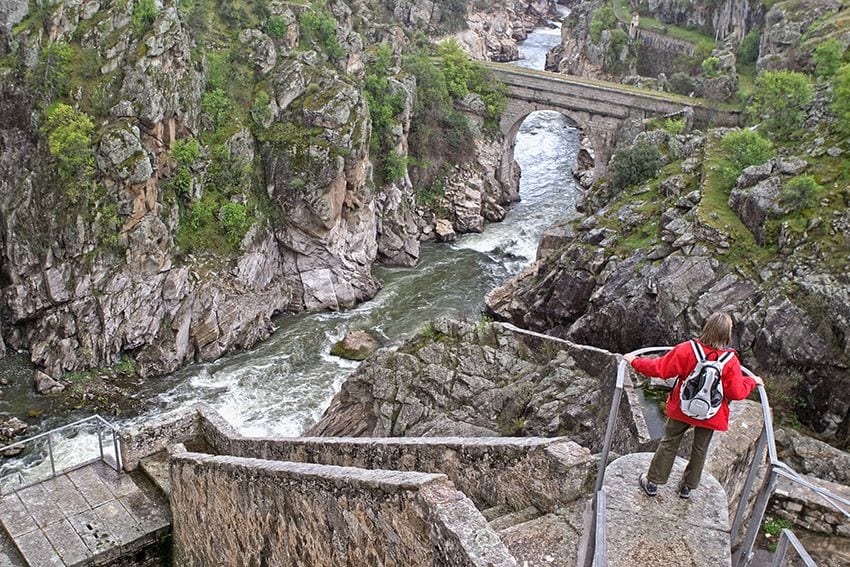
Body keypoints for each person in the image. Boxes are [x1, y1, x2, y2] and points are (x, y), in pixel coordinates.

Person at [623, 312, 764, 499]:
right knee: (700, 449)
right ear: (727, 334)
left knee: (669, 443)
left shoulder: (688, 349)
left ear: (707, 328)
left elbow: (660, 369)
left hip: (683, 407)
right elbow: (736, 392)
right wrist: (752, 381)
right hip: (710, 414)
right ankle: (687, 487)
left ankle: (653, 483)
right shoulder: (730, 361)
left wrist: (635, 361)